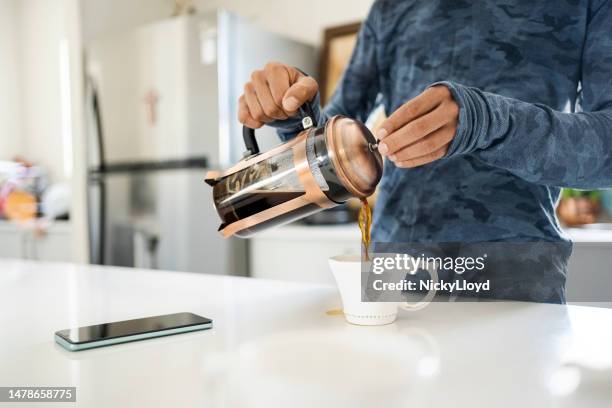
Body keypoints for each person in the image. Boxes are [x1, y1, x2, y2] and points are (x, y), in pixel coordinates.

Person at [236, 0, 612, 303]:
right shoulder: (391, 8)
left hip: (516, 276)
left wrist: (489, 120)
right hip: (392, 270)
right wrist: (293, 111)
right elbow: (332, 137)